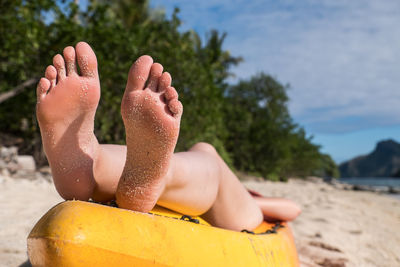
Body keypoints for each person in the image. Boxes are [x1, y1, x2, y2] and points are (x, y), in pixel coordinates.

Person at [36, 42, 301, 231]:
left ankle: (93, 161)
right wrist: (257, 200)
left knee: (203, 153)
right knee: (207, 162)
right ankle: (112, 166)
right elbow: (291, 209)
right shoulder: (248, 198)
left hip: (201, 193)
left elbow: (288, 210)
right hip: (224, 209)